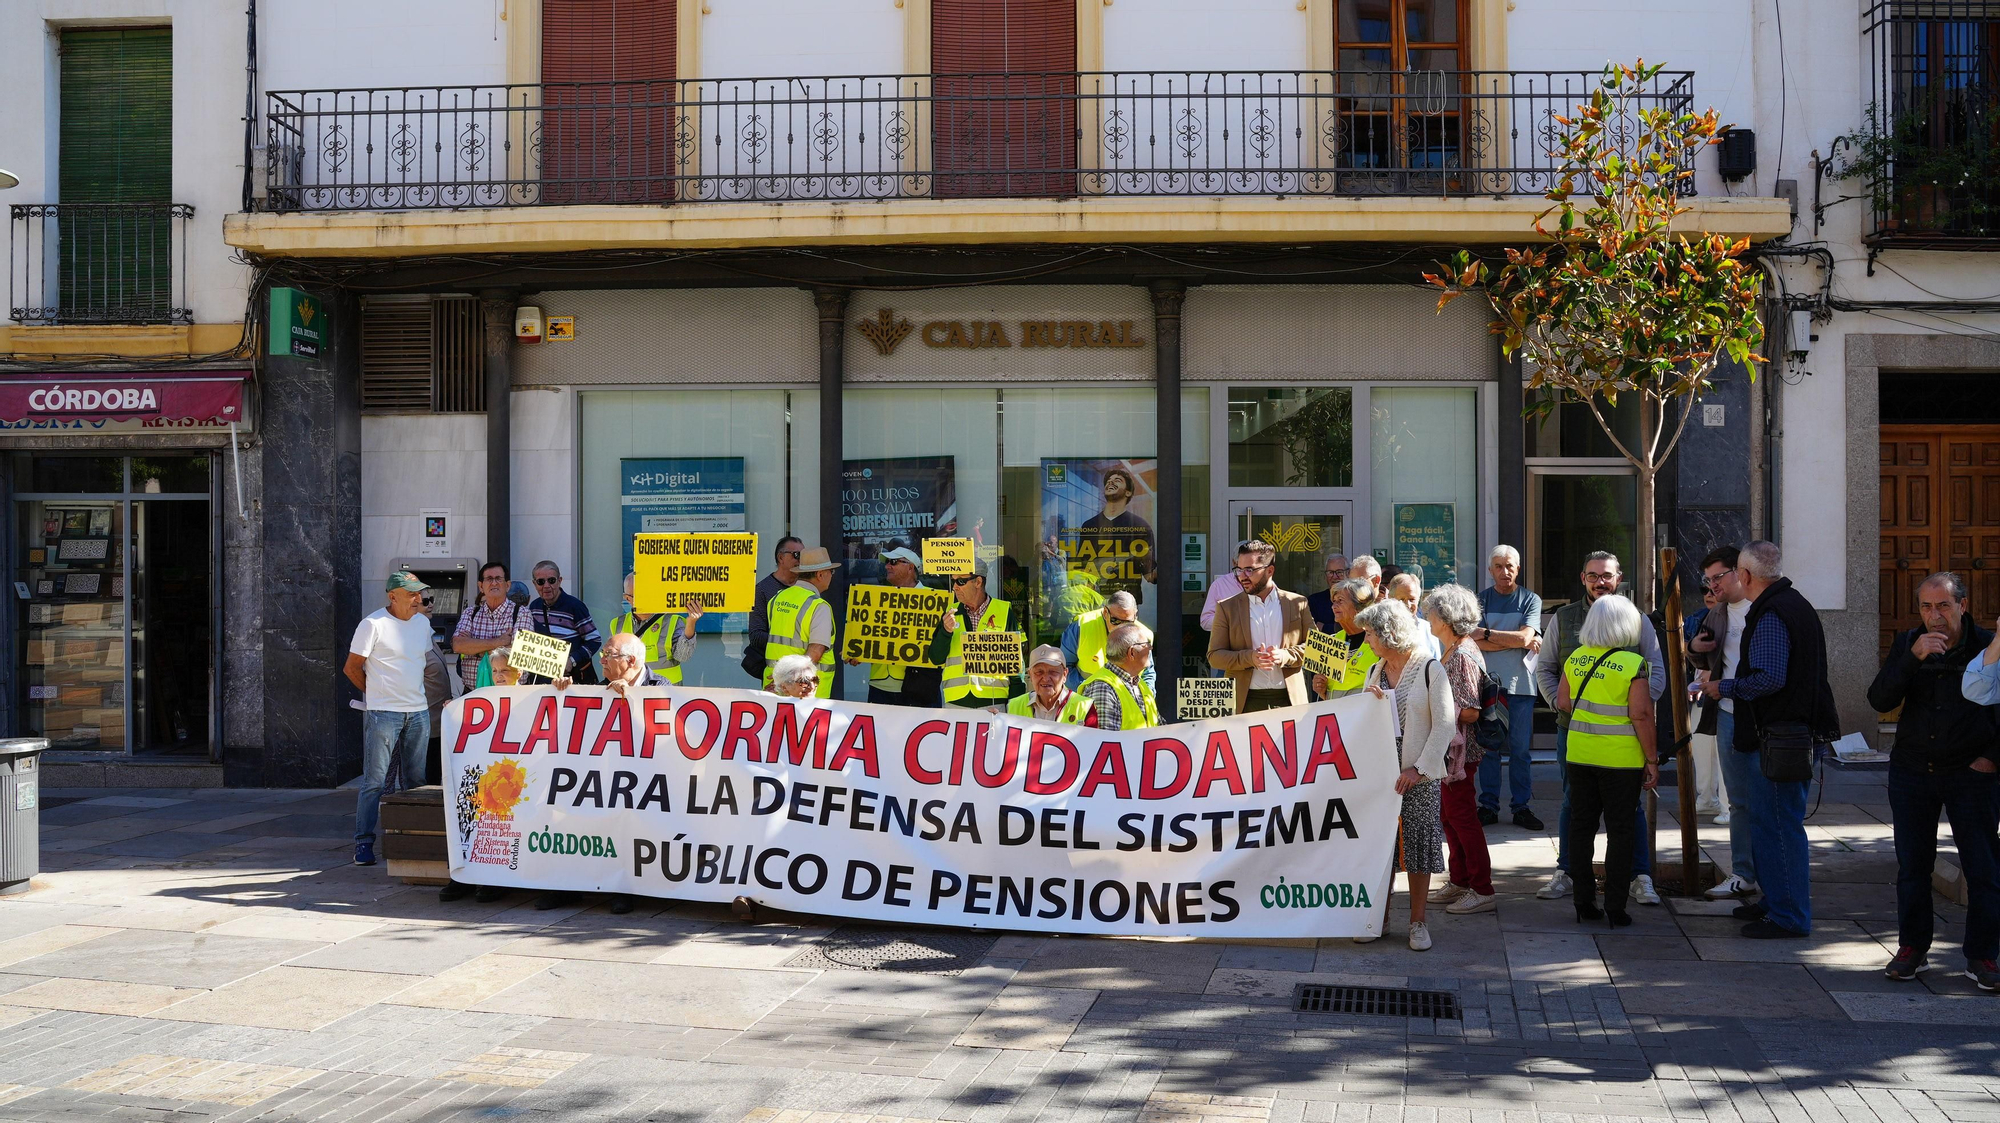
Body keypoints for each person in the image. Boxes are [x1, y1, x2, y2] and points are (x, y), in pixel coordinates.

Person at [1695, 541, 1839, 940]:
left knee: (1777, 824)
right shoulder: (1791, 602)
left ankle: (1789, 915)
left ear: (1744, 576)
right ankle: (1776, 902)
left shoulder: (1774, 611)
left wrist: (1725, 686)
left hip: (1781, 736)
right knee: (1766, 820)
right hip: (1782, 732)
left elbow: (1770, 678)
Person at [1872, 573, 1999, 987]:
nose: (1934, 616)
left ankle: (1982, 956)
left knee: (1983, 868)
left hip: (1970, 772)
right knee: (1913, 866)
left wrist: (1991, 759)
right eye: (1926, 607)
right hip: (1913, 770)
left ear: (1962, 605)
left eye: (1942, 606)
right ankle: (1912, 949)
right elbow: (1880, 699)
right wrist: (1912, 657)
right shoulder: (1910, 641)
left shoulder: (1986, 644)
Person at [1534, 551, 1667, 906]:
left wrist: (1632, 703)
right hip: (1573, 733)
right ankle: (1567, 871)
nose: (1599, 581)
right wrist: (1561, 704)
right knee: (1573, 806)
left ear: (1618, 577)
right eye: (1592, 575)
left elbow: (1656, 670)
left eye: (1606, 575)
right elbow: (1545, 669)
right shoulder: (1564, 618)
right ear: (1582, 578)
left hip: (1625, 738)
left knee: (1629, 810)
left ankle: (1640, 876)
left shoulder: (1637, 619)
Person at [545, 632, 669, 914]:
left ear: (631, 661)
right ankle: (565, 886)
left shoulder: (660, 686)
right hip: (606, 777)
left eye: (609, 655)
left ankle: (622, 890)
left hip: (646, 782)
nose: (601, 659)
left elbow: (665, 736)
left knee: (626, 820)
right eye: (603, 653)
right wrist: (564, 691)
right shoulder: (602, 686)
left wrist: (633, 698)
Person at [1354, 600, 1453, 952]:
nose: (1366, 640)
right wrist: (1370, 702)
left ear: (1388, 634)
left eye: (1369, 633)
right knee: (1381, 848)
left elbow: (1445, 726)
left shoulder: (1429, 669)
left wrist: (1419, 768)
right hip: (1381, 773)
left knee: (1418, 847)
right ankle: (1377, 918)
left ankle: (1417, 922)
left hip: (1419, 774)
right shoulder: (1375, 670)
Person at [1556, 595, 1660, 928]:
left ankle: (1583, 902)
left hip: (1580, 755)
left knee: (1581, 829)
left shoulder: (1576, 657)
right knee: (1621, 832)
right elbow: (1642, 714)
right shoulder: (1633, 664)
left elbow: (1562, 701)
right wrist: (1653, 759)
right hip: (1621, 762)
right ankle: (1616, 906)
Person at [343, 571, 435, 868]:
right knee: (375, 781)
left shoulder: (422, 624)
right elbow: (352, 667)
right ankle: (364, 843)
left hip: (418, 711)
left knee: (416, 781)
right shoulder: (372, 625)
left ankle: (412, 838)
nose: (418, 599)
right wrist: (377, 695)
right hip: (384, 713)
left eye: (419, 593)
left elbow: (416, 664)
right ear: (392, 596)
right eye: (411, 594)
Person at [1421, 584, 1497, 916]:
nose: (1429, 617)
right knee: (1450, 817)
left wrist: (1435, 709)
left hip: (1461, 753)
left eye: (1433, 612)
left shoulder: (1462, 654)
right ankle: (1461, 879)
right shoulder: (1454, 649)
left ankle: (1482, 888)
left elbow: (1470, 711)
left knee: (1462, 816)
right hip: (1451, 750)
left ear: (1446, 617)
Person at [1691, 545, 1759, 899]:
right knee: (1737, 801)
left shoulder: (1763, 608)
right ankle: (1743, 873)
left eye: (1718, 577)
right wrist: (1695, 647)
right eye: (1707, 580)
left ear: (1740, 572)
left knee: (1767, 799)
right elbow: (1699, 651)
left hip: (1764, 718)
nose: (1713, 586)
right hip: (1728, 713)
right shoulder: (1717, 613)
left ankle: (1772, 873)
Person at [1475, 545, 1544, 829]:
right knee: (1489, 749)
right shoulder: (1479, 600)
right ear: (1490, 570)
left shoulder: (1530, 599)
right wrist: (1514, 639)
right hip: (1488, 685)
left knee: (1520, 751)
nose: (1505, 572)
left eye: (1510, 566)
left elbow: (1526, 637)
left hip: (1521, 686)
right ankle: (1488, 806)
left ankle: (1521, 807)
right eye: (1499, 566)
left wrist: (1490, 634)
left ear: (1518, 568)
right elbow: (1473, 640)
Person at [1208, 540, 1314, 714]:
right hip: (1244, 701)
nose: (1242, 576)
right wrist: (1250, 658)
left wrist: (1285, 655)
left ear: (1269, 570)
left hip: (1290, 700)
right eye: (1239, 570)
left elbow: (1315, 650)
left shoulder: (1297, 603)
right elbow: (1214, 656)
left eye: (1249, 570)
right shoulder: (1227, 607)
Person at [850, 545, 947, 707]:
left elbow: (941, 644)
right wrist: (857, 651)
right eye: (887, 562)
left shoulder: (934, 600)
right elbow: (871, 635)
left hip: (920, 686)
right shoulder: (878, 599)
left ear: (911, 567)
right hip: (881, 685)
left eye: (893, 562)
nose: (887, 566)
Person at [764, 547, 840, 698]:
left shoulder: (777, 598)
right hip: (806, 691)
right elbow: (816, 651)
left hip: (775, 684)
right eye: (831, 572)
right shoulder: (819, 606)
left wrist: (781, 680)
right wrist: (789, 678)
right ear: (820, 574)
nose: (832, 576)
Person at [940, 570, 1020, 709]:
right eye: (953, 581)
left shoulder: (1004, 611)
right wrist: (946, 632)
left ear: (978, 582)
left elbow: (1016, 665)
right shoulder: (950, 611)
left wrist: (1014, 705)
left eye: (961, 581)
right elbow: (935, 658)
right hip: (956, 703)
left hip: (994, 703)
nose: (955, 587)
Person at [1076, 466, 1156, 597]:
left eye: (1117, 480)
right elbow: (1082, 567)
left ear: (1128, 493)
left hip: (1126, 601)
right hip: (1094, 598)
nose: (1110, 482)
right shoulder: (1088, 525)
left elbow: (1149, 575)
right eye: (1108, 481)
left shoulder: (1141, 526)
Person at [608, 572, 700, 685]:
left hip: (667, 691)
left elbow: (683, 656)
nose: (648, 599)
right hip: (629, 691)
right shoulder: (617, 624)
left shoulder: (673, 620)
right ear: (628, 598)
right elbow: (608, 660)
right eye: (642, 596)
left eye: (650, 593)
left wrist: (691, 622)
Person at [452, 561, 530, 692]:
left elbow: (518, 653)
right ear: (481, 586)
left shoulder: (522, 613)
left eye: (498, 578)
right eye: (489, 579)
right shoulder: (470, 613)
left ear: (508, 585)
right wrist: (500, 642)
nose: (494, 583)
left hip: (511, 695)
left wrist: (474, 648)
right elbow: (458, 645)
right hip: (473, 694)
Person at [528, 560, 603, 685]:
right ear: (534, 584)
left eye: (551, 580)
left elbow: (594, 640)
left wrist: (571, 660)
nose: (546, 586)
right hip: (545, 680)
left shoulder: (575, 606)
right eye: (541, 582)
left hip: (575, 678)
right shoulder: (533, 607)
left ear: (560, 580)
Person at [1064, 590, 1153, 693]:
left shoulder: (1144, 635)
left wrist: (1146, 697)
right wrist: (1089, 692)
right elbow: (1063, 667)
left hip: (1129, 702)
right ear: (1105, 612)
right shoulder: (1081, 627)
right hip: (1087, 702)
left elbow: (1148, 673)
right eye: (1115, 621)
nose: (1121, 627)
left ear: (1135, 616)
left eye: (1127, 622)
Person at [743, 536, 804, 681]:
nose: (801, 560)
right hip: (775, 671)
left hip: (804, 669)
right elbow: (756, 635)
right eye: (797, 555)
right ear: (781, 558)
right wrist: (794, 644)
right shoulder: (763, 590)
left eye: (804, 555)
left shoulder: (806, 588)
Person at [1078, 623, 1159, 732]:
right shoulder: (1103, 688)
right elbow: (1104, 744)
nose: (1150, 648)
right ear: (1132, 653)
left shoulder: (1138, 683)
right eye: (1146, 644)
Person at [1312, 577, 1381, 700]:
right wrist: (1321, 690)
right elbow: (1328, 695)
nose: (1334, 606)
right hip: (1337, 716)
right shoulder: (1331, 641)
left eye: (1340, 601)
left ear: (1358, 606)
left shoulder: (1379, 640)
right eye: (1333, 601)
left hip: (1367, 716)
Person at [1009, 645, 1097, 724]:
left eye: (1053, 672)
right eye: (1039, 672)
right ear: (1030, 675)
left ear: (1065, 674)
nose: (1046, 678)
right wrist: (995, 721)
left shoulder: (1085, 707)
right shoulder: (1012, 706)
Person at [1386, 574, 1441, 659]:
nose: (1407, 604)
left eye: (1411, 599)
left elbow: (1437, 665)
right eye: (1402, 599)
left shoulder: (1429, 629)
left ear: (1418, 599)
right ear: (1390, 599)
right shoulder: (1382, 629)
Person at [1305, 553, 1351, 634]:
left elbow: (1354, 628)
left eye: (1339, 572)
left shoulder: (1354, 600)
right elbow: (1312, 631)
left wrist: (1324, 627)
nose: (1335, 576)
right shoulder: (1314, 601)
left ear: (1348, 573)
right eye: (1330, 572)